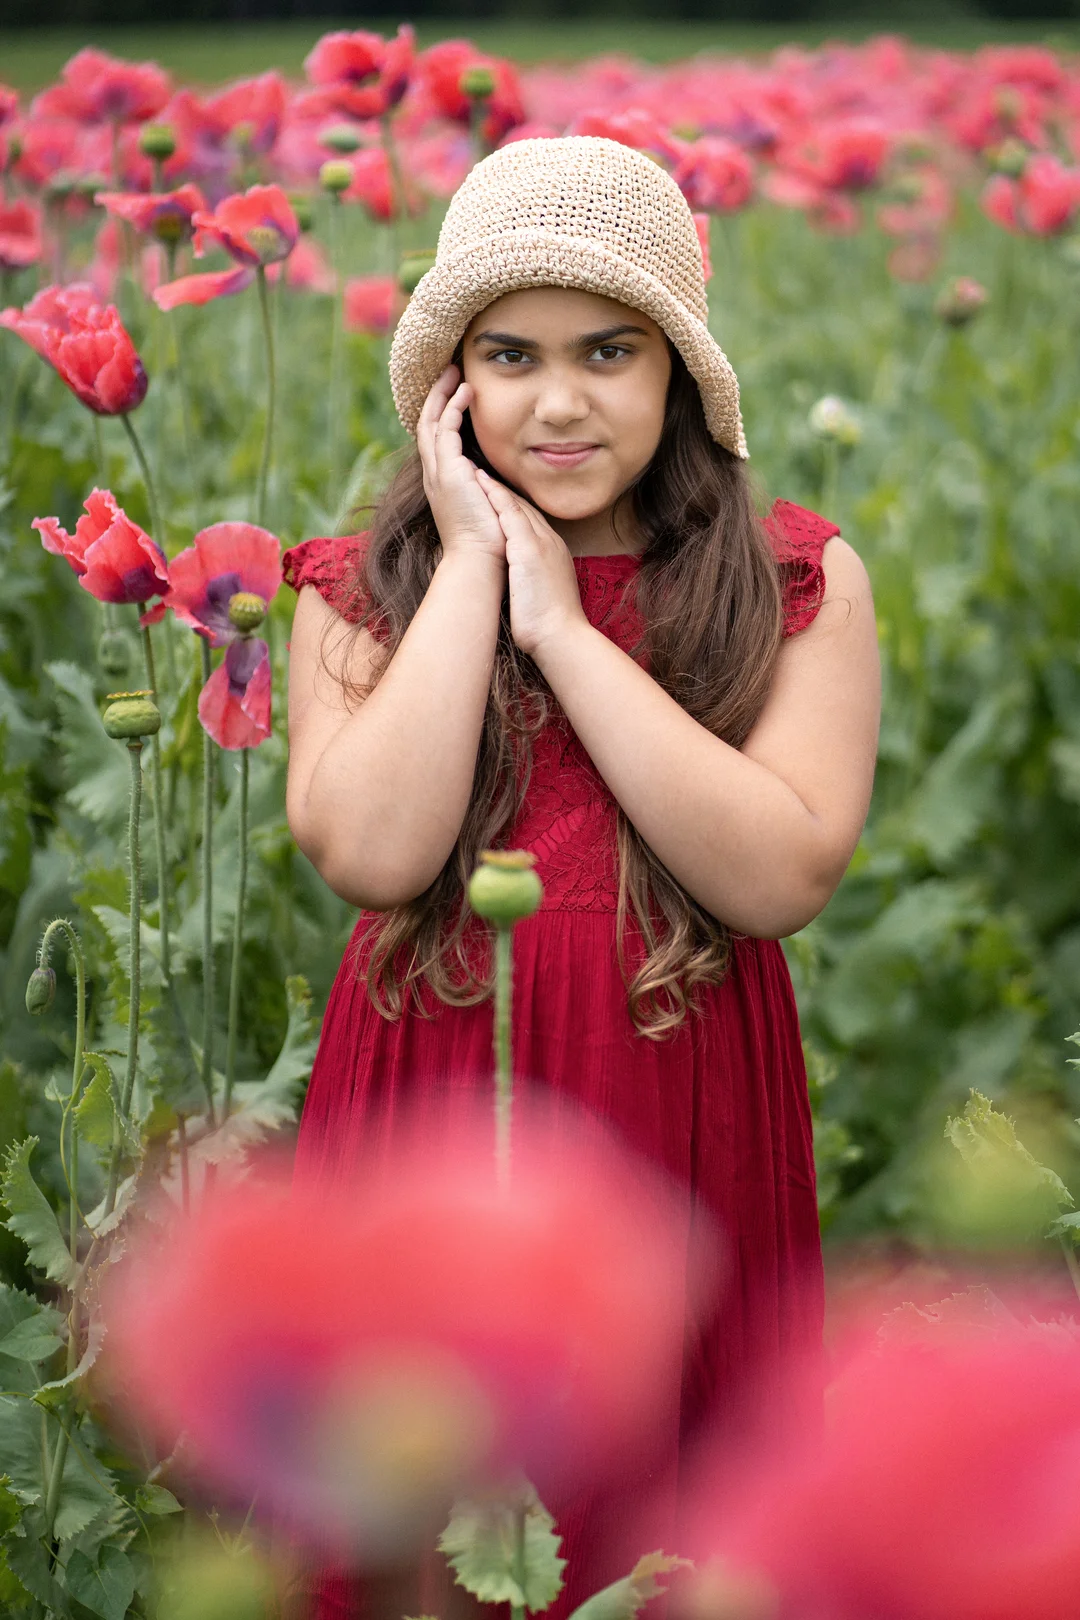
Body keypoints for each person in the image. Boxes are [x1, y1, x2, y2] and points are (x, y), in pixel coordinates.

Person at [281, 136, 880, 1620]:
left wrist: (562, 630)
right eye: (511, 355)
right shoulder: (368, 596)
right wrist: (481, 567)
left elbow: (778, 871)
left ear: (678, 365)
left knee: (655, 1529)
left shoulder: (791, 578)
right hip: (429, 1104)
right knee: (426, 1530)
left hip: (672, 1117)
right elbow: (375, 850)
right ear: (451, 384)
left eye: (608, 352)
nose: (557, 400)